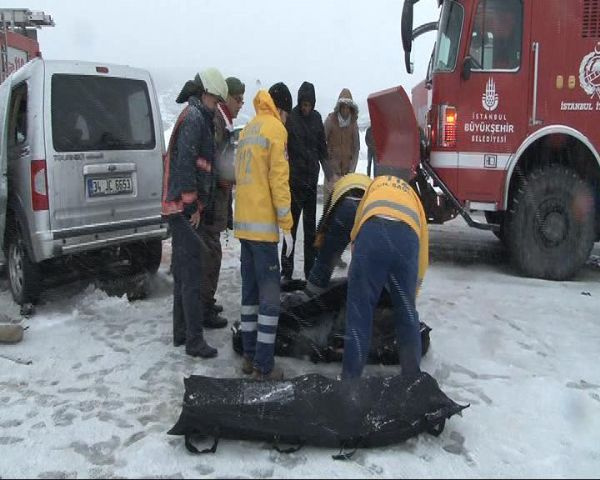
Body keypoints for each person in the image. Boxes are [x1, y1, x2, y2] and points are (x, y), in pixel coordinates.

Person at [162, 68, 229, 358]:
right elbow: (187, 164)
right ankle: (193, 340)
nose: (217, 107)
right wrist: (191, 205)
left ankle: (180, 332)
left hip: (181, 206)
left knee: (182, 271)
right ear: (206, 94)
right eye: (216, 101)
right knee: (191, 275)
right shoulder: (194, 119)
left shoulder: (196, 116)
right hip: (184, 207)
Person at [341, 169, 429, 380]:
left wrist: (359, 275)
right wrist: (411, 294)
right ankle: (411, 379)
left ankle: (350, 381)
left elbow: (356, 231)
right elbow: (423, 252)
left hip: (372, 233)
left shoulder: (374, 186)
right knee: (407, 316)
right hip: (406, 239)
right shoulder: (414, 198)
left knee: (360, 313)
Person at [234, 82, 294, 381]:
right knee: (270, 298)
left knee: (250, 295)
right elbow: (278, 182)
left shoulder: (248, 129)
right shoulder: (275, 130)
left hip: (244, 226)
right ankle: (264, 366)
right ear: (281, 109)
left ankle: (248, 356)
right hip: (263, 230)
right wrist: (287, 224)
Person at [196, 76, 246, 329]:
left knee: (212, 250)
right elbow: (211, 159)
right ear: (226, 98)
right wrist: (223, 178)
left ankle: (206, 300)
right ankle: (203, 307)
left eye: (242, 101)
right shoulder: (217, 122)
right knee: (210, 253)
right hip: (213, 198)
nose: (240, 105)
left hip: (219, 198)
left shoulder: (223, 122)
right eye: (238, 99)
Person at [281, 81, 330, 282]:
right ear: (299, 102)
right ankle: (287, 271)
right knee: (290, 230)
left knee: (311, 231)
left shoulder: (317, 119)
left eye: (309, 105)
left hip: (311, 182)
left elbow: (322, 148)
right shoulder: (291, 119)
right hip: (294, 184)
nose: (306, 108)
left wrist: (329, 173)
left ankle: (310, 271)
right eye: (304, 104)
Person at [305, 173, 372, 296]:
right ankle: (361, 297)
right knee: (364, 260)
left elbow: (326, 217)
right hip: (367, 209)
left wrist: (320, 245)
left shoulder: (338, 188)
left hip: (345, 210)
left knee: (326, 259)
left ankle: (311, 295)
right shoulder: (369, 182)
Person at [324, 88, 360, 198]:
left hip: (346, 174)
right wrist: (329, 172)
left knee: (343, 206)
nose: (345, 110)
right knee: (329, 206)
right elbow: (321, 145)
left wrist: (351, 171)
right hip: (331, 174)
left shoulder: (353, 125)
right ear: (339, 107)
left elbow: (356, 148)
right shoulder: (330, 121)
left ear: (351, 108)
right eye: (343, 107)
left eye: (347, 107)